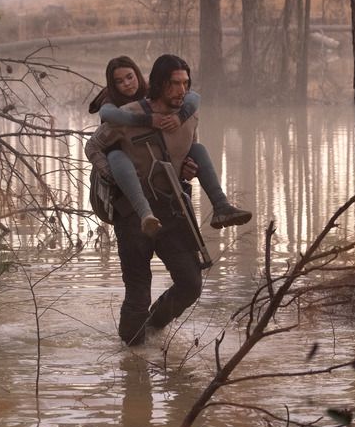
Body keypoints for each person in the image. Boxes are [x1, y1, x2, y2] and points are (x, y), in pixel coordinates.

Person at [85, 54, 212, 346]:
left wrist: (189, 167)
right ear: (159, 84)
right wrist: (112, 175)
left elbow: (189, 151)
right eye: (174, 84)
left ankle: (153, 328)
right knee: (138, 292)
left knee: (191, 284)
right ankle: (131, 354)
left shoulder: (189, 112)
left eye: (185, 83)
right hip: (132, 215)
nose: (181, 90)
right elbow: (93, 147)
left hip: (172, 210)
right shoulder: (123, 113)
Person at [89, 55, 251, 236]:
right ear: (113, 85)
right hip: (126, 176)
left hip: (168, 188)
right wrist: (146, 120)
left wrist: (180, 119)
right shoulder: (111, 104)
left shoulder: (160, 94)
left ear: (138, 75)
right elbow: (102, 128)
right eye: (119, 81)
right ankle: (144, 213)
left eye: (130, 77)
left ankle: (221, 206)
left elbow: (193, 98)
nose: (127, 84)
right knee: (115, 156)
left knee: (198, 149)